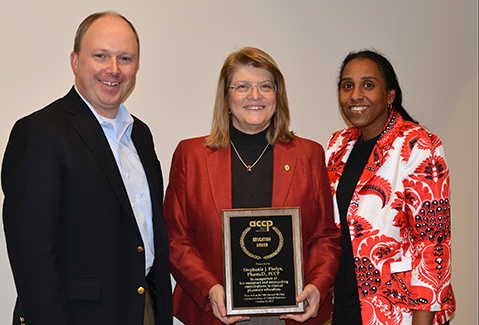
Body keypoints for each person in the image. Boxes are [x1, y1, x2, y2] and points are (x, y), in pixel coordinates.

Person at [2, 11, 172, 325]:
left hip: (144, 310)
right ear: (75, 61)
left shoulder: (140, 136)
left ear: (136, 66)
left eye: (125, 58)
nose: (113, 69)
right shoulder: (40, 133)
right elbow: (32, 258)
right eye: (100, 56)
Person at [163, 47, 341, 325]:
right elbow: (176, 238)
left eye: (265, 86)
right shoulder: (191, 156)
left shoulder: (309, 155)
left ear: (277, 95)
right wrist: (209, 288)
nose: (255, 96)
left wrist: (318, 285)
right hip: (215, 312)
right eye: (243, 86)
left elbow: (325, 237)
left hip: (290, 313)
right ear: (226, 95)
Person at [325, 50, 455, 325]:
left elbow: (433, 245)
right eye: (347, 86)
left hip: (397, 312)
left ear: (390, 95)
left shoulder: (419, 146)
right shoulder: (336, 146)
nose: (355, 95)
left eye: (368, 85)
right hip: (343, 309)